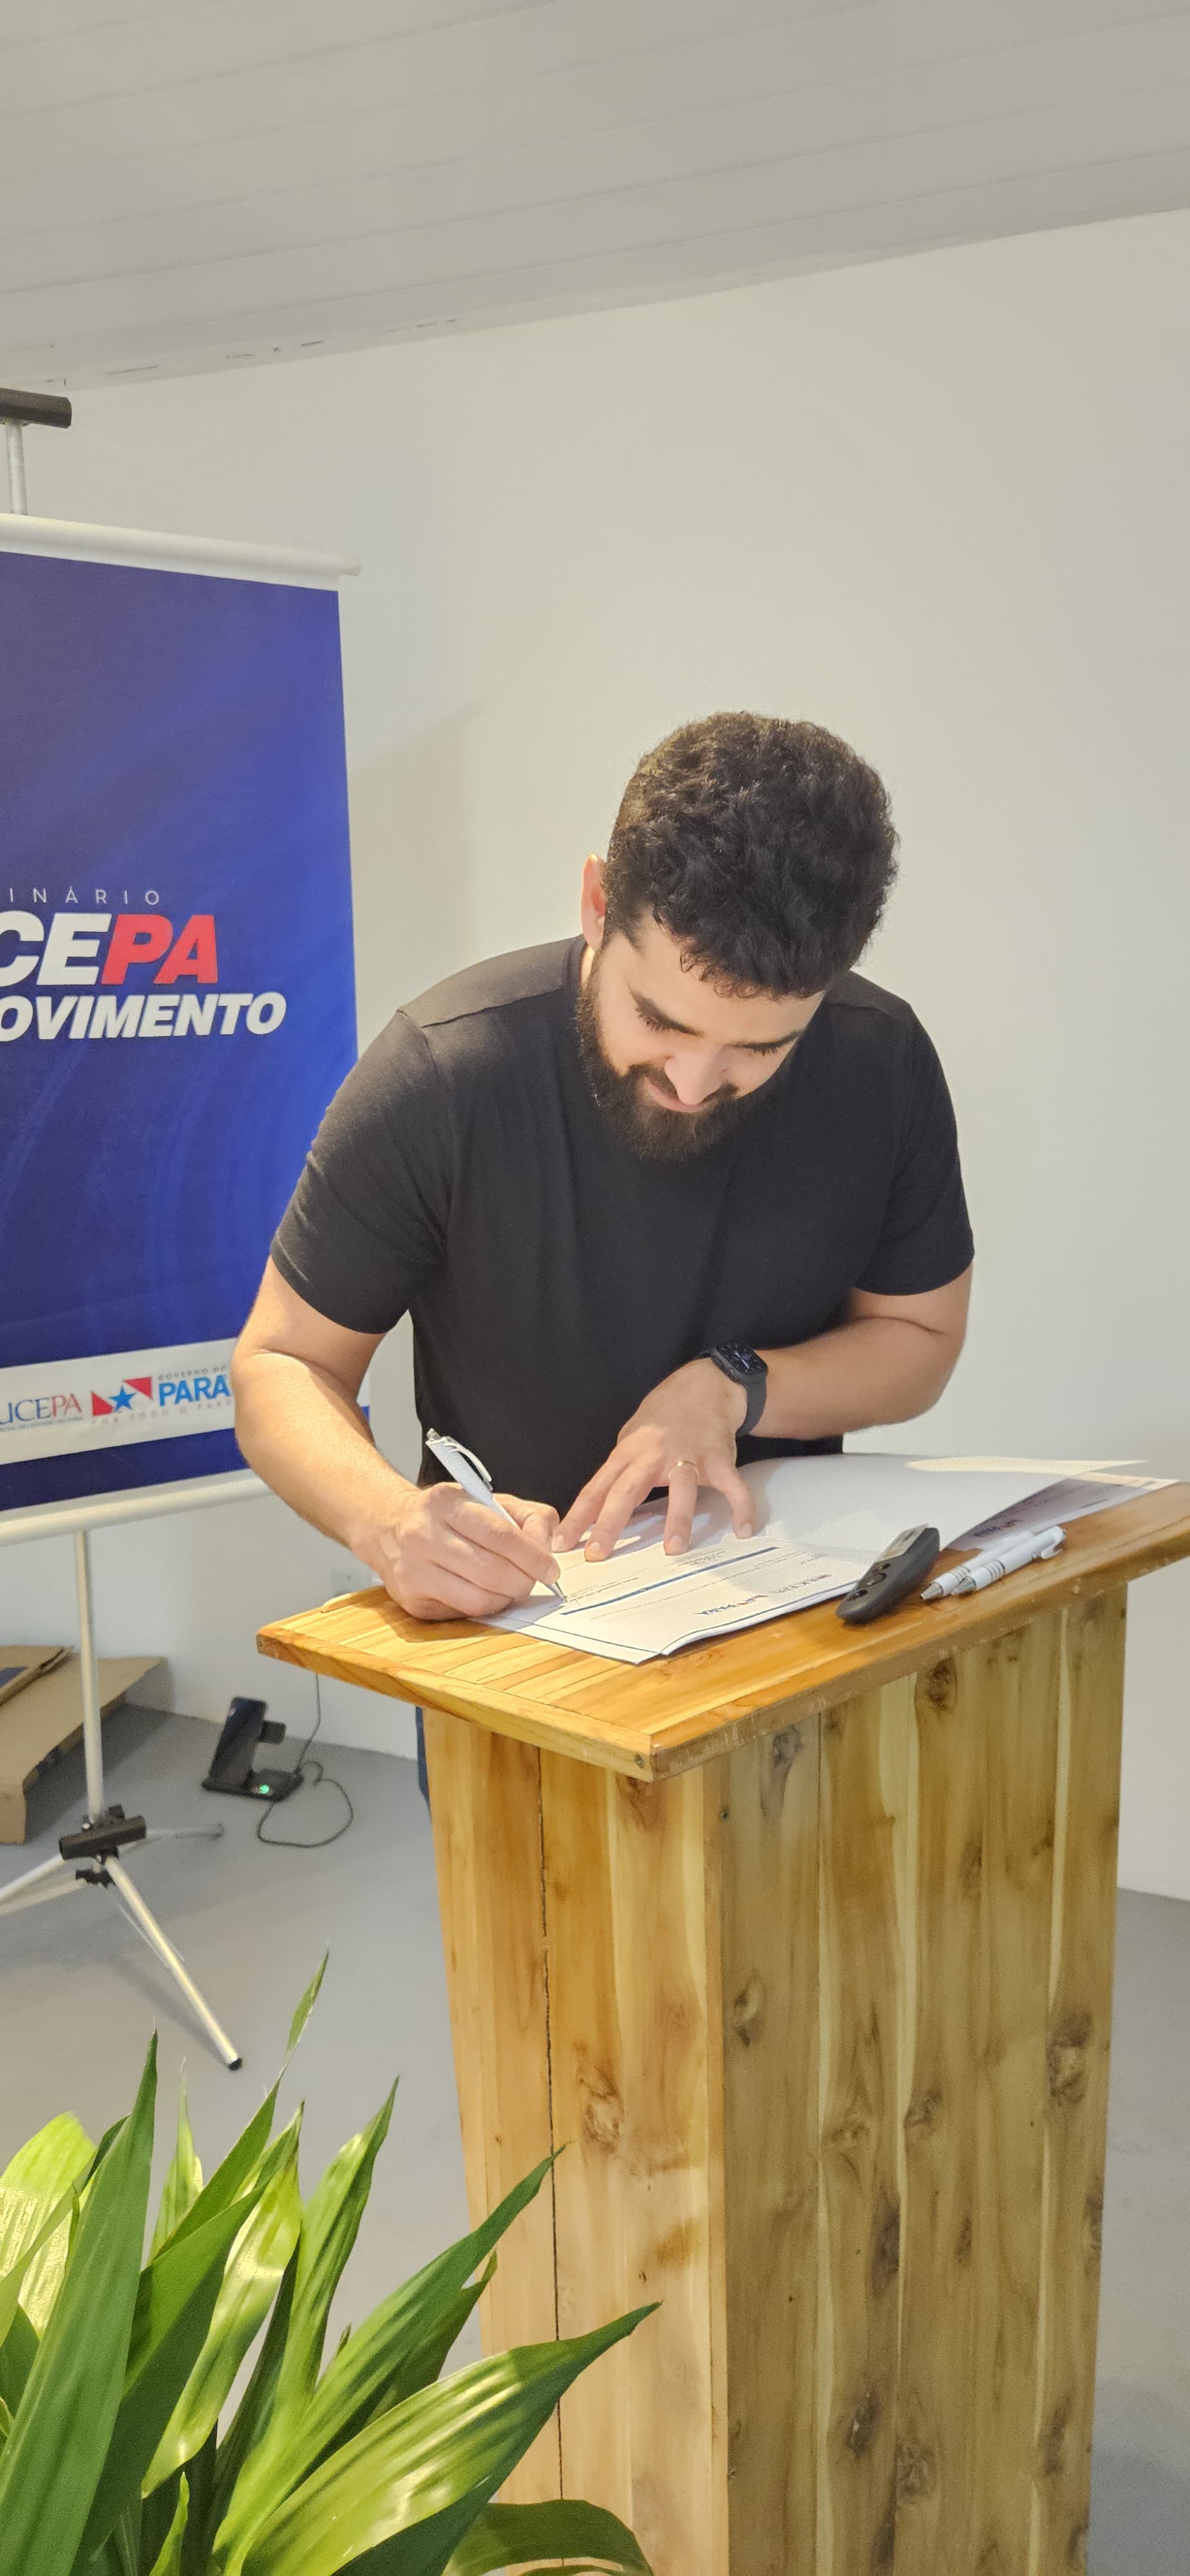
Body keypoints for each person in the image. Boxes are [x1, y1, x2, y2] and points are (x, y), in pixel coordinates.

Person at [232, 713, 974, 1795]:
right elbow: (280, 1364)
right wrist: (387, 1520)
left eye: (760, 1046)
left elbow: (919, 1337)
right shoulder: (446, 1076)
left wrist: (735, 1387)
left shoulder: (881, 1063)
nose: (695, 1082)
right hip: (520, 1649)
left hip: (789, 1630)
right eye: (661, 1021)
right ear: (595, 904)